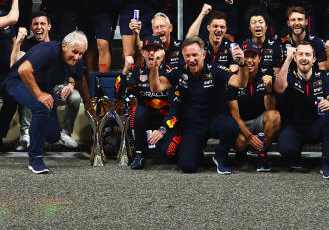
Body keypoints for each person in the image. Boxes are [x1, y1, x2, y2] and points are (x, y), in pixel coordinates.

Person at [152, 37, 243, 174]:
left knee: (231, 126)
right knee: (187, 166)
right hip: (193, 125)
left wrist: (241, 64)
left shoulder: (216, 69)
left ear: (203, 55)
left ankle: (220, 157)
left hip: (215, 121)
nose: (191, 59)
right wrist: (154, 66)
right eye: (187, 56)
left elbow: (240, 83)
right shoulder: (179, 71)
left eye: (195, 55)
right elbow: (156, 88)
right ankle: (196, 153)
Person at [3, 31, 90, 173]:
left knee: (53, 135)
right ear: (64, 46)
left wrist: (89, 105)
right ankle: (35, 159)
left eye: (81, 54)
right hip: (16, 82)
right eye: (74, 52)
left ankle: (35, 133)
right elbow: (23, 70)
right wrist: (39, 95)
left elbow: (81, 80)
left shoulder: (76, 60)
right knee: (41, 107)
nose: (77, 57)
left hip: (42, 87)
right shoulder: (47, 50)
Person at [274, 42, 329, 177]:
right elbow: (279, 87)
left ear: (314, 59)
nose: (304, 58)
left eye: (308, 54)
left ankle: (327, 162)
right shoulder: (290, 74)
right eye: (300, 54)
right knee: (286, 148)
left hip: (317, 127)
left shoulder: (322, 75)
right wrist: (287, 59)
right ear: (295, 58)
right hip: (295, 127)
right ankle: (296, 158)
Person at [120, 36, 178, 169]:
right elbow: (121, 96)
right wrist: (124, 72)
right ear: (142, 52)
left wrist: (163, 129)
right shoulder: (137, 72)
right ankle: (140, 152)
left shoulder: (172, 73)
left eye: (156, 49)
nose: (152, 53)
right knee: (137, 110)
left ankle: (161, 146)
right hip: (147, 118)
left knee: (169, 153)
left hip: (167, 120)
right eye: (148, 50)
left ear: (162, 52)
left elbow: (176, 107)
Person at [226, 42, 280, 171]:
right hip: (240, 122)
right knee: (240, 142)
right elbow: (234, 115)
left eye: (253, 57)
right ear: (241, 58)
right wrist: (250, 136)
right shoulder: (233, 76)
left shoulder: (267, 73)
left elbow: (270, 108)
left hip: (258, 121)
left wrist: (269, 89)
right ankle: (241, 153)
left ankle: (262, 155)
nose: (249, 60)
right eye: (246, 56)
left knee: (274, 116)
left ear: (259, 58)